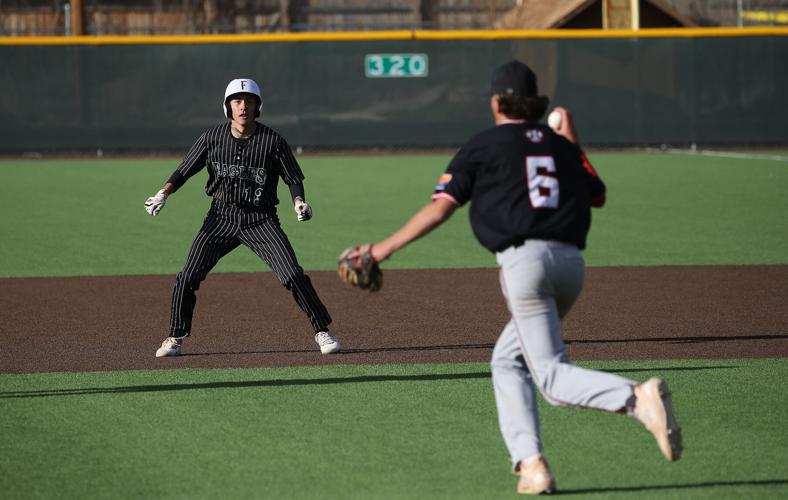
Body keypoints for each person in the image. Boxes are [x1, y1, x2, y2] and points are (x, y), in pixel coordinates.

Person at [351, 61, 682, 494]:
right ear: (537, 103)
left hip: (525, 267)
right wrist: (570, 139)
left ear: (495, 103)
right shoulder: (560, 147)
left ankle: (637, 400)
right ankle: (531, 465)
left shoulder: (483, 146)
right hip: (570, 266)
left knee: (552, 378)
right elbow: (597, 195)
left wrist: (379, 250)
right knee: (507, 361)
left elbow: (441, 207)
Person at [144, 78, 340, 357]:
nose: (243, 106)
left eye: (249, 101)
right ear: (227, 107)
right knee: (187, 276)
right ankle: (174, 337)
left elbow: (293, 178)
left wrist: (299, 202)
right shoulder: (212, 139)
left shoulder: (273, 142)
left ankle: (323, 331)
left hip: (260, 219)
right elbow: (184, 170)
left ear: (258, 106)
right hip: (220, 218)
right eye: (236, 101)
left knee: (293, 274)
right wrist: (164, 193)